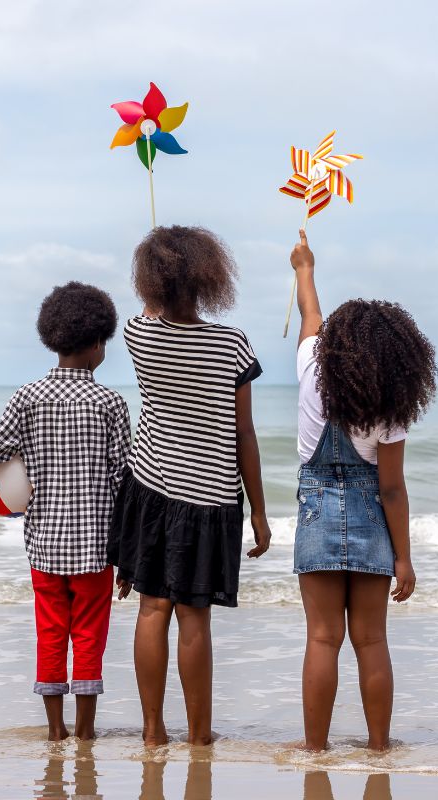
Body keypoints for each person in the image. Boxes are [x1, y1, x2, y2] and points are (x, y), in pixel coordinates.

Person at [107, 225, 272, 747]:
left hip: (151, 487)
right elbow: (244, 432)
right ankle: (200, 735)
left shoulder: (139, 334)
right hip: (210, 498)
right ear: (208, 277)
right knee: (194, 619)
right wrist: (260, 513)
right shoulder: (232, 343)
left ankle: (153, 731)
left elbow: (149, 315)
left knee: (152, 609)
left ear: (150, 280)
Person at [0, 282, 131, 741]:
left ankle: (55, 732)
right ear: (97, 343)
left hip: (45, 548)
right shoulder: (111, 403)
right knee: (90, 637)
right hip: (96, 549)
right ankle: (86, 732)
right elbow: (123, 480)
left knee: (51, 634)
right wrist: (129, 554)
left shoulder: (28, 397)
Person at [290, 230, 437, 751]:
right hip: (372, 520)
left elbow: (310, 315)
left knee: (322, 639)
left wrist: (304, 268)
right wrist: (405, 559)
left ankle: (315, 749)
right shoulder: (389, 405)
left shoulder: (310, 363)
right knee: (372, 640)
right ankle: (379, 747)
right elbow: (392, 490)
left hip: (316, 517)